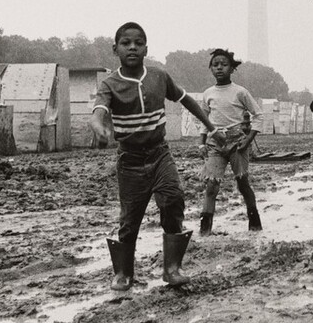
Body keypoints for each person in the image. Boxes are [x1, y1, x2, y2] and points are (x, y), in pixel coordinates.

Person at [90, 22, 224, 291]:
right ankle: (123, 273)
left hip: (160, 154)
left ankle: (172, 268)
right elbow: (99, 111)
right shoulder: (110, 84)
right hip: (130, 161)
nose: (132, 48)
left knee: (173, 200)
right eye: (126, 43)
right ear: (115, 49)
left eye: (138, 43)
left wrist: (211, 129)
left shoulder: (159, 76)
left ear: (146, 49)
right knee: (130, 219)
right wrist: (98, 126)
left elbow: (186, 100)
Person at [198, 49, 263, 236]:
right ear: (211, 68)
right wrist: (201, 143)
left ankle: (255, 224)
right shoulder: (208, 93)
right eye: (215, 64)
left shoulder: (240, 92)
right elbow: (204, 120)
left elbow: (258, 115)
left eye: (224, 64)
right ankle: (205, 231)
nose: (219, 68)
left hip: (237, 143)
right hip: (214, 144)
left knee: (242, 183)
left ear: (232, 68)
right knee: (211, 186)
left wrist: (248, 139)